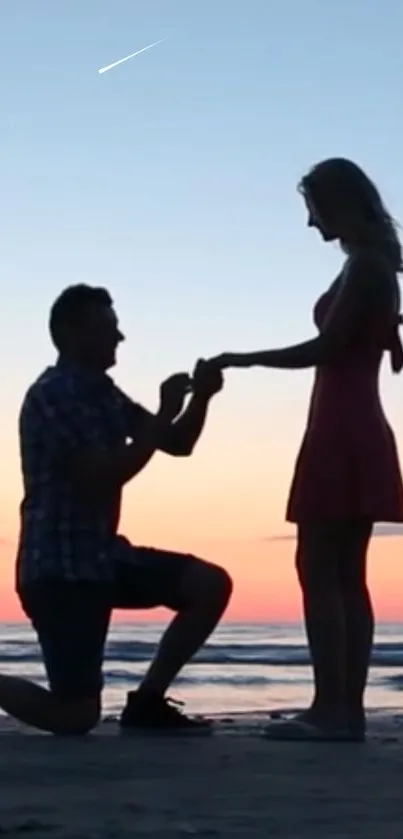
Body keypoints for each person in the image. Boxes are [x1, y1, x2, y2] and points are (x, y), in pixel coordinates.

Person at [210, 158, 403, 741]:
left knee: (321, 568)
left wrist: (243, 359)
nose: (309, 223)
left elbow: (327, 347)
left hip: (344, 425)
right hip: (350, 422)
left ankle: (335, 710)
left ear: (338, 204)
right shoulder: (371, 266)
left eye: (313, 208)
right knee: (344, 572)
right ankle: (342, 708)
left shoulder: (368, 267)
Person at [0, 284, 232, 736]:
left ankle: (147, 702)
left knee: (209, 584)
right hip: (60, 571)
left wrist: (201, 399)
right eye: (107, 328)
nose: (120, 338)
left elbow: (177, 444)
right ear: (70, 334)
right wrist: (165, 410)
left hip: (103, 557)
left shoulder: (103, 391)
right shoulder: (54, 395)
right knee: (77, 715)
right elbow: (104, 473)